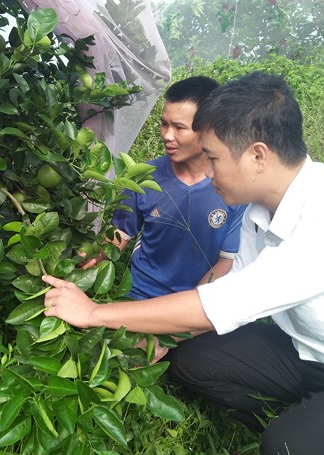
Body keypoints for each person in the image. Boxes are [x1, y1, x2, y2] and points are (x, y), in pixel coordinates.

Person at [42, 71, 324, 454]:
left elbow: (219, 306)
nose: (207, 172)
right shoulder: (260, 206)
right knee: (191, 361)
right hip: (304, 349)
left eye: (213, 158)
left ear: (257, 155)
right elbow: (229, 281)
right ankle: (310, 412)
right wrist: (163, 336)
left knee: (285, 446)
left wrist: (93, 313)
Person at [82, 76, 247, 302]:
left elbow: (226, 261)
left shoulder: (235, 188)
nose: (167, 135)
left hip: (198, 304)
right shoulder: (144, 176)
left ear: (211, 128)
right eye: (164, 124)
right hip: (140, 299)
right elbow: (119, 235)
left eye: (180, 128)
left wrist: (186, 311)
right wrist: (87, 259)